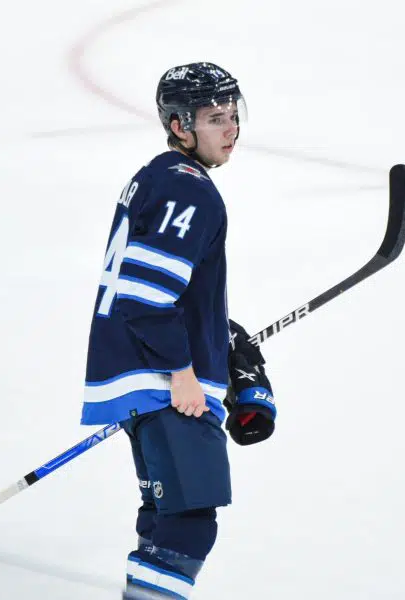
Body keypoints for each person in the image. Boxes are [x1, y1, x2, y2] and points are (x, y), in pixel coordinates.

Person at [80, 62, 278, 599]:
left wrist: (218, 335)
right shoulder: (188, 191)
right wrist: (184, 371)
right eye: (215, 119)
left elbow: (161, 288)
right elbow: (144, 296)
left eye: (233, 115)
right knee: (188, 524)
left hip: (144, 379)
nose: (231, 129)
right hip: (163, 383)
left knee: (166, 517)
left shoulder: (159, 176)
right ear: (179, 126)